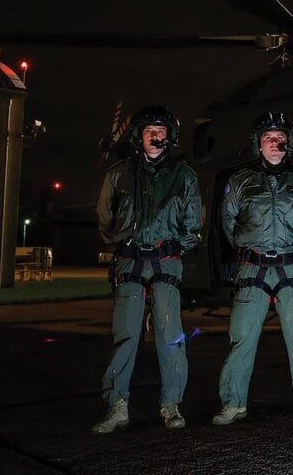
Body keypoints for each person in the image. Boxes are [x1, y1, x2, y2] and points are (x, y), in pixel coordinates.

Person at [212, 111, 293, 425]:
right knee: (241, 338)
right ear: (258, 144)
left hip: (292, 267)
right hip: (252, 269)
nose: (275, 143)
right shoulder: (240, 181)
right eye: (268, 138)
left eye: (280, 138)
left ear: (289, 144)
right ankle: (233, 403)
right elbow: (228, 222)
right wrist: (248, 249)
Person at [92, 105, 202, 434]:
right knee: (125, 334)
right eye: (149, 131)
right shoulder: (119, 173)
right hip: (129, 261)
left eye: (161, 131)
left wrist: (173, 250)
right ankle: (117, 406)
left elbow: (193, 224)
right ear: (139, 136)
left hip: (166, 261)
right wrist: (121, 245)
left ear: (170, 137)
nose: (155, 136)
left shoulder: (184, 176)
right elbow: (104, 215)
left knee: (170, 335)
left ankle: (171, 405)